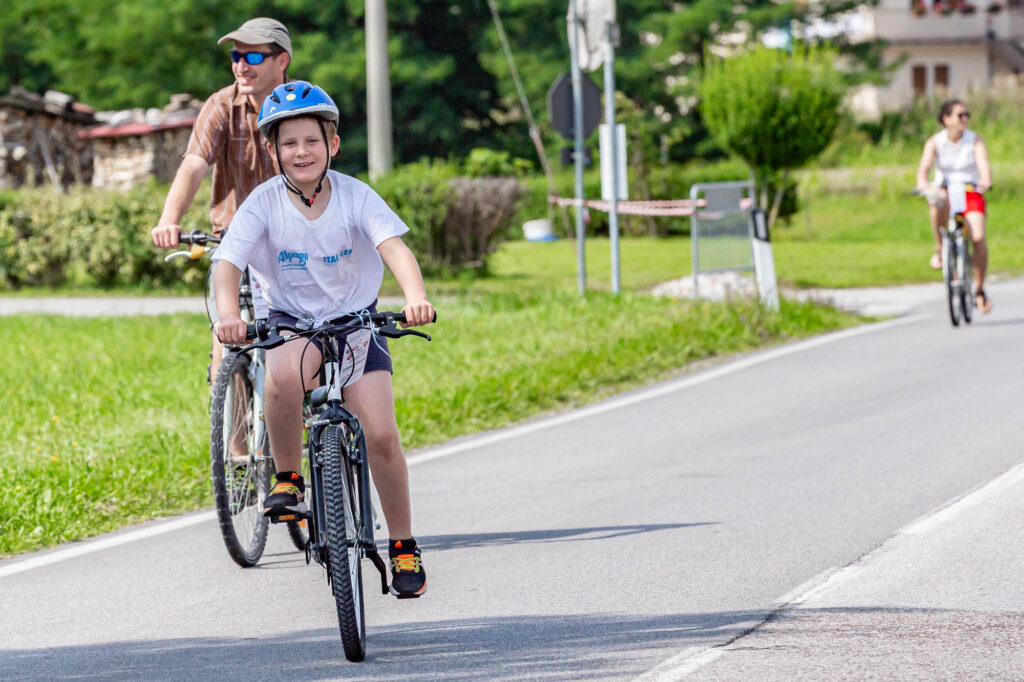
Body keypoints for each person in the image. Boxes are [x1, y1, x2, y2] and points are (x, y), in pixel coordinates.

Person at [212, 81, 433, 599]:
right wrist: (228, 315)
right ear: (273, 151)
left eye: (312, 140)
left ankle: (403, 545)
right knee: (282, 377)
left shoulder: (355, 195)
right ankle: (289, 478)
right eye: (289, 143)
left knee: (382, 434)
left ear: (332, 144)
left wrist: (416, 295)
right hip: (293, 320)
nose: (301, 152)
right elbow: (227, 264)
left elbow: (394, 249)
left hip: (356, 322)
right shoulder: (264, 203)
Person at [151, 17, 293, 382]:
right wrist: (169, 219)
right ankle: (230, 415)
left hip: (295, 239)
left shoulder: (303, 105)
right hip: (235, 239)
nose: (241, 66)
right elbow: (194, 163)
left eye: (253, 57)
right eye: (236, 56)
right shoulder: (221, 105)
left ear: (282, 61)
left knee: (305, 339)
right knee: (225, 339)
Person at [915, 98, 994, 313]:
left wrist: (985, 180)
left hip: (970, 191)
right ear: (946, 119)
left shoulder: (974, 140)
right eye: (960, 115)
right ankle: (941, 248)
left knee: (978, 237)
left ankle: (979, 289)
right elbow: (924, 170)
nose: (964, 119)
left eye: (966, 115)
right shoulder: (935, 142)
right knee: (936, 199)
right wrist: (923, 185)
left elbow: (983, 165)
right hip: (946, 190)